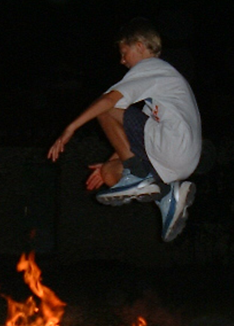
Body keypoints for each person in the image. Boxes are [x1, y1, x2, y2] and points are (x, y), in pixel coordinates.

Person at [47, 17, 202, 242]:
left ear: (139, 46)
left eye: (124, 52)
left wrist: (69, 129)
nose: (122, 61)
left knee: (106, 108)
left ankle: (137, 175)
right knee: (110, 173)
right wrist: (114, 159)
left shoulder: (152, 67)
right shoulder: (161, 88)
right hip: (179, 158)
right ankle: (169, 196)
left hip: (172, 146)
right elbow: (135, 134)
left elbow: (109, 101)